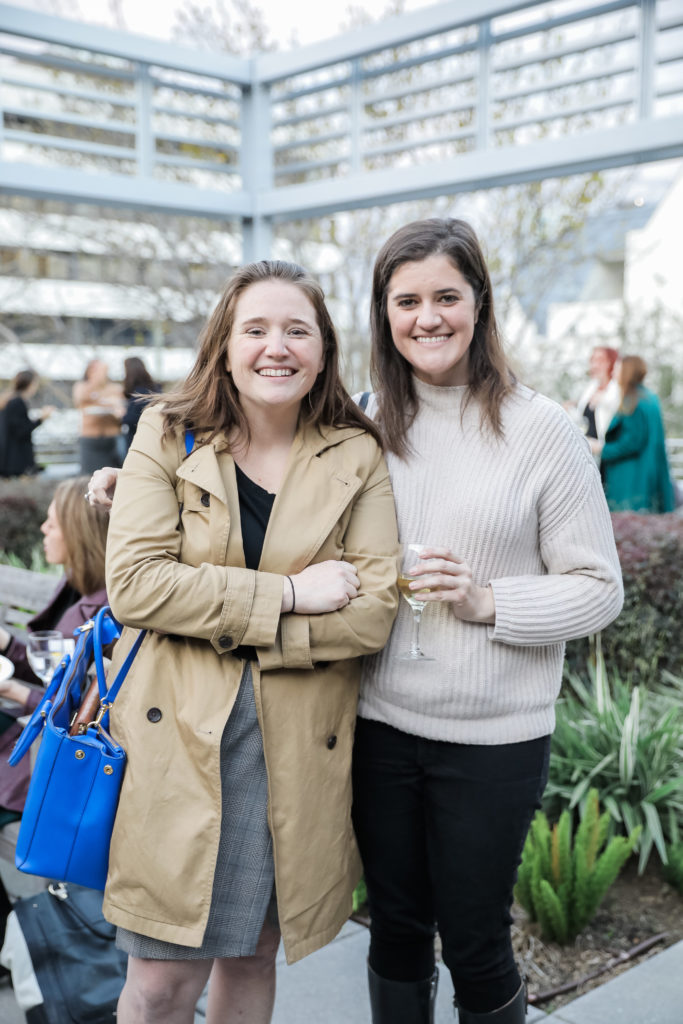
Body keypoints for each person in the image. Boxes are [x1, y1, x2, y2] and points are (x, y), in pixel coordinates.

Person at [101, 260, 399, 1024]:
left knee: (253, 955)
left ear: (324, 350)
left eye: (297, 329)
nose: (277, 347)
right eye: (256, 329)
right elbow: (135, 584)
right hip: (176, 746)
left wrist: (223, 629)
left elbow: (368, 616)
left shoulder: (354, 452)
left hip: (294, 748)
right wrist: (290, 596)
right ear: (224, 346)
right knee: (163, 982)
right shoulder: (168, 431)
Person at [351, 219, 624, 1024]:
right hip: (377, 724)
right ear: (383, 313)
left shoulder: (541, 430)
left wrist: (488, 601)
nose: (426, 318)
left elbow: (598, 587)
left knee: (473, 940)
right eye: (407, 301)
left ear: (480, 304)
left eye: (445, 296)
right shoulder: (363, 422)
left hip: (493, 741)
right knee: (394, 928)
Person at [0, 475, 109, 817]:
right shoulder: (77, 585)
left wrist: (16, 692)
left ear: (80, 532)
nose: (44, 529)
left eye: (53, 522)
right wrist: (4, 641)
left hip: (51, 758)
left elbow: (87, 709)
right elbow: (53, 665)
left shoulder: (107, 610)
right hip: (30, 732)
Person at [596, 355, 676, 514]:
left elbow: (632, 442)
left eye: (617, 370)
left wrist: (600, 449)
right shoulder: (649, 398)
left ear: (627, 372)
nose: (613, 374)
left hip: (632, 479)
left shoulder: (632, 401)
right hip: (649, 476)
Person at [72, 359, 124, 474]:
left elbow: (120, 406)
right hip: (90, 438)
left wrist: (101, 400)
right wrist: (95, 382)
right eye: (95, 370)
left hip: (112, 438)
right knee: (88, 476)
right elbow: (80, 399)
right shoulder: (82, 386)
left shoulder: (115, 388)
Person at [0, 370, 54, 477]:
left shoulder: (10, 400)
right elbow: (21, 431)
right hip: (14, 461)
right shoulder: (17, 402)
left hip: (9, 459)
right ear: (30, 384)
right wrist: (41, 418)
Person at [566, 345, 620, 446]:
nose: (595, 365)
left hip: (607, 452)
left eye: (600, 360)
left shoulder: (618, 390)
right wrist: (568, 410)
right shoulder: (590, 388)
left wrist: (603, 400)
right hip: (587, 451)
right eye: (592, 360)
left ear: (611, 363)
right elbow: (582, 420)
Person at [120, 356, 161, 456]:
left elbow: (131, 419)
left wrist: (120, 414)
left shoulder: (139, 393)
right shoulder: (155, 389)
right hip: (154, 440)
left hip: (139, 442)